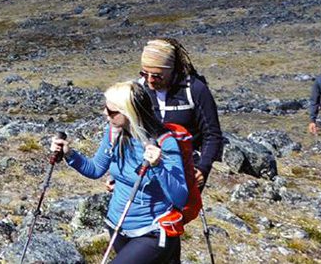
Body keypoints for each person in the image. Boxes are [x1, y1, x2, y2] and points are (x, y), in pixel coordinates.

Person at [53, 81, 193, 264]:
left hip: (152, 232)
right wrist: (69, 153)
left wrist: (158, 165)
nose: (105, 113)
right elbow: (95, 169)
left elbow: (180, 198)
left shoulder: (165, 142)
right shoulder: (114, 132)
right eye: (105, 108)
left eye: (111, 111)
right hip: (117, 227)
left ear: (130, 113)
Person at [137, 38, 224, 188]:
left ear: (172, 69)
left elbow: (212, 134)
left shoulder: (195, 90)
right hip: (148, 168)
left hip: (187, 171)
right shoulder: (139, 90)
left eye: (157, 75)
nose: (150, 81)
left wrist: (203, 168)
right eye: (145, 74)